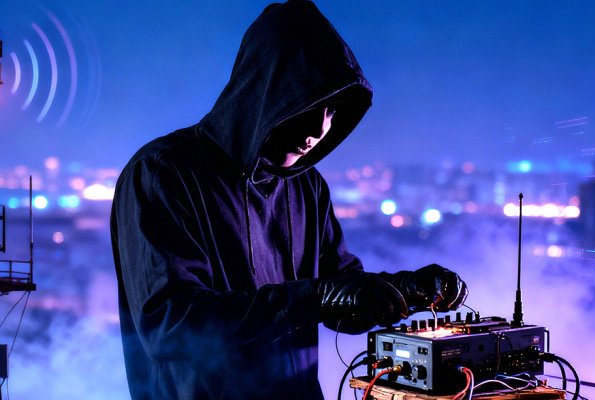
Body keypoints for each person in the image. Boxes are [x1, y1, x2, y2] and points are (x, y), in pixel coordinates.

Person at [111, 1, 467, 399]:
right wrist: (310, 299)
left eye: (331, 110)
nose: (318, 129)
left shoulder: (306, 186)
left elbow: (341, 292)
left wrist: (405, 291)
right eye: (309, 106)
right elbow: (170, 325)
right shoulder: (163, 173)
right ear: (263, 92)